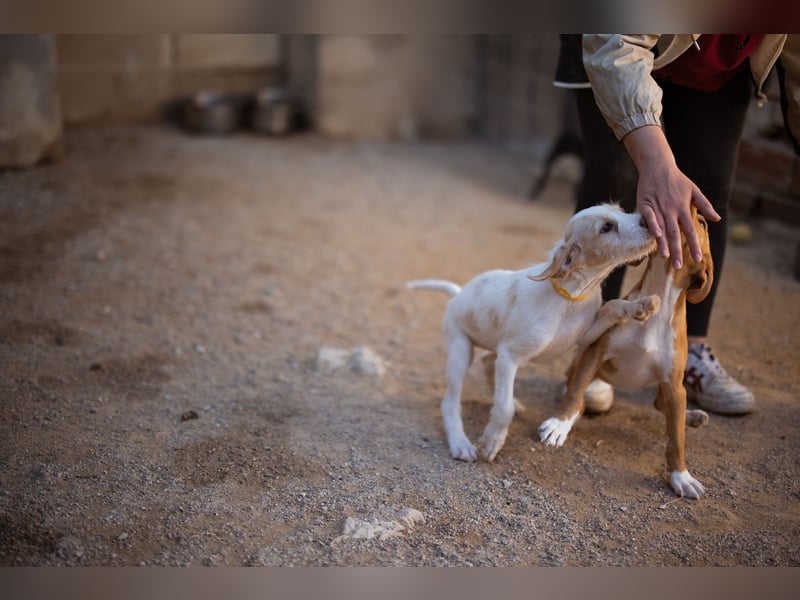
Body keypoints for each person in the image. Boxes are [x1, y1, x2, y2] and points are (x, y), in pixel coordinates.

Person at [552, 34, 800, 415]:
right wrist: (654, 162)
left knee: (707, 189)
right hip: (613, 42)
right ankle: (592, 345)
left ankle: (690, 352)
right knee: (616, 174)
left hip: (714, 63)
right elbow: (615, 46)